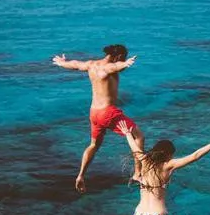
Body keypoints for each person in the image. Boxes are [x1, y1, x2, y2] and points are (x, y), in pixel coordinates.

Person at [52, 44, 143, 193]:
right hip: (108, 112)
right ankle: (138, 173)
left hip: (94, 113)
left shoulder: (91, 65)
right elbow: (115, 68)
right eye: (123, 58)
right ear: (118, 57)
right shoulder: (109, 68)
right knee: (138, 136)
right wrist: (125, 64)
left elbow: (75, 65)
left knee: (94, 145)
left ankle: (81, 175)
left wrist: (62, 63)